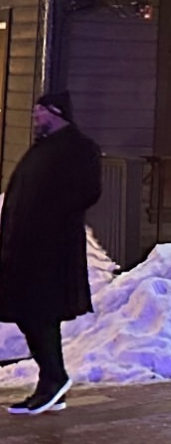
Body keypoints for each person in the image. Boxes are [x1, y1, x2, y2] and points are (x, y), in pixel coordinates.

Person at [1, 91, 103, 413]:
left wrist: (49, 214)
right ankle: (52, 381)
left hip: (51, 250)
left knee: (39, 314)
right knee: (30, 314)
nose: (35, 116)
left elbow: (88, 191)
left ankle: (53, 380)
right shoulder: (44, 147)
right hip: (25, 246)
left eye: (40, 111)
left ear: (57, 113)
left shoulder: (79, 148)